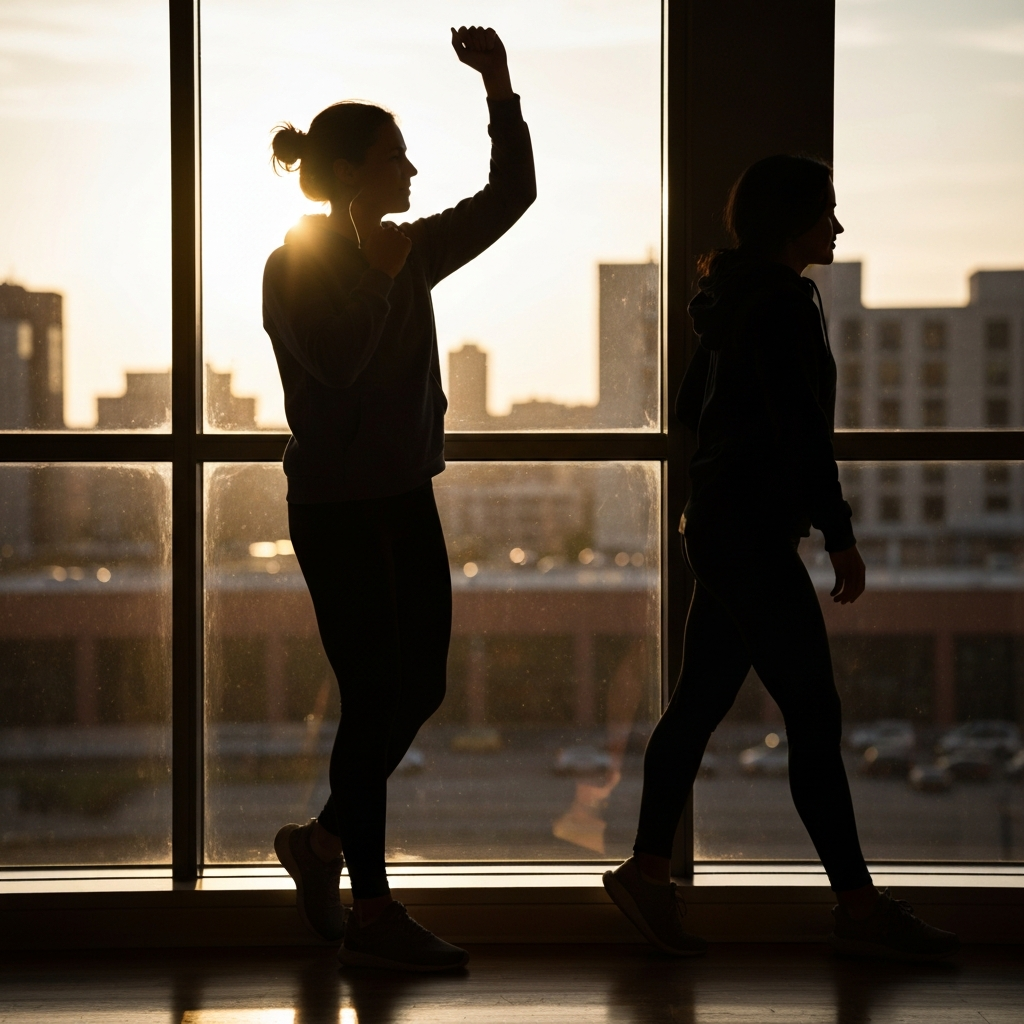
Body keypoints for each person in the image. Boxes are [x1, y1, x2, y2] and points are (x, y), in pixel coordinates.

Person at [603, 155, 959, 962]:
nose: (836, 226)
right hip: (755, 536)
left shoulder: (728, 298)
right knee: (812, 715)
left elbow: (696, 408)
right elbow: (804, 431)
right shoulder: (788, 303)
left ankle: (647, 872)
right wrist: (838, 534)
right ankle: (860, 911)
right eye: (826, 213)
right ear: (792, 222)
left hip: (722, 527)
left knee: (697, 707)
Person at [262, 26, 535, 972]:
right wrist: (378, 285)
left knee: (419, 688)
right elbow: (334, 367)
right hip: (338, 508)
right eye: (394, 157)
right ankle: (372, 913)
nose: (413, 169)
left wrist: (498, 88)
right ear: (347, 174)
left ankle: (322, 843)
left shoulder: (410, 249)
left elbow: (512, 196)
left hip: (403, 497)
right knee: (375, 691)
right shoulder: (292, 263)